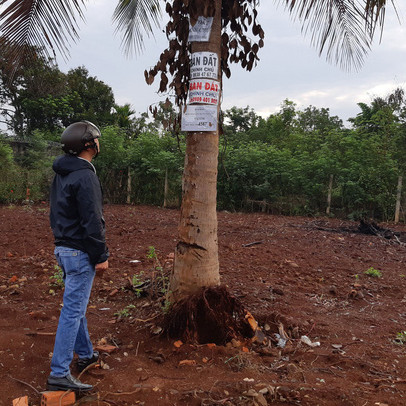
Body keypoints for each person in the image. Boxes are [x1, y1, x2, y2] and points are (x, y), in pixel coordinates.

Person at [47, 121, 109, 392]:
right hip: (80, 252)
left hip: (63, 249)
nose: (98, 142)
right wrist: (100, 254)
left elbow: (56, 212)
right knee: (72, 312)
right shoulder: (85, 176)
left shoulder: (62, 173)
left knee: (77, 306)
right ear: (88, 145)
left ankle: (86, 355)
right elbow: (92, 220)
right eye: (96, 138)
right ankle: (59, 373)